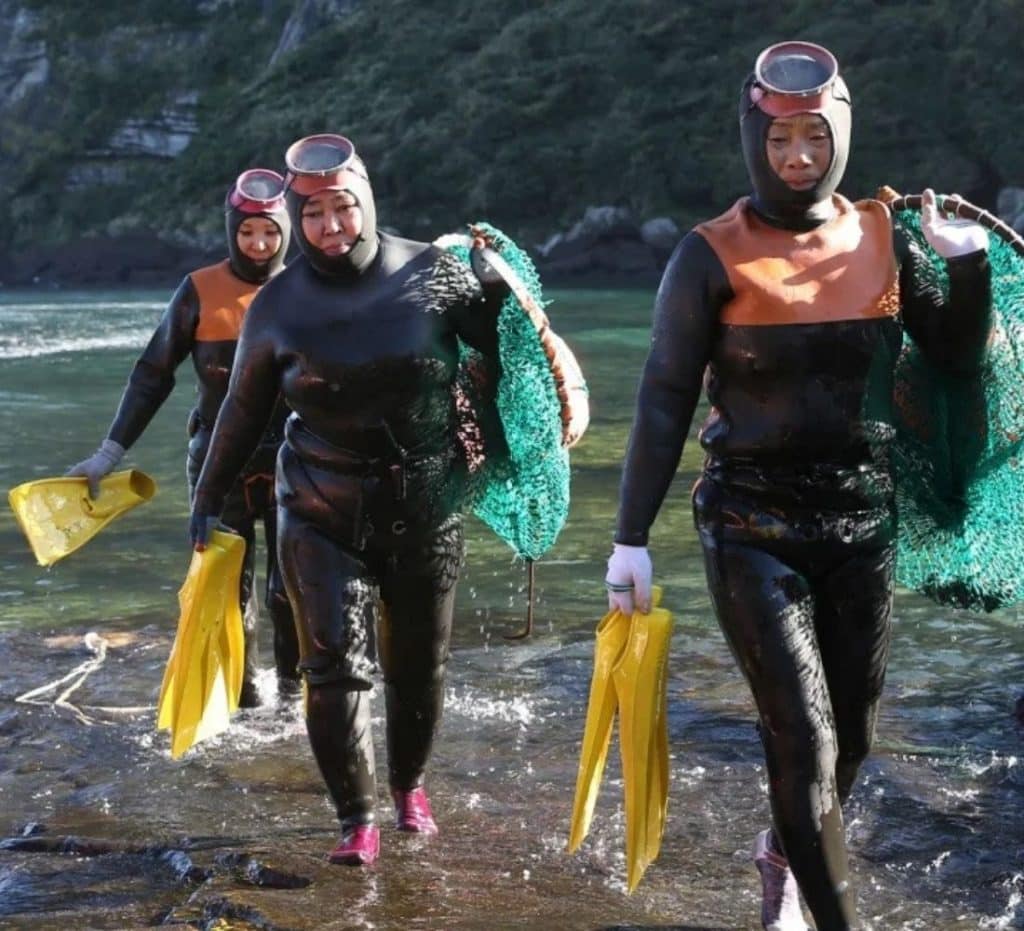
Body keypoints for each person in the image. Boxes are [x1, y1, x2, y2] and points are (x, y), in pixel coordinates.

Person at [604, 41, 992, 931]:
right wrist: (628, 537)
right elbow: (664, 401)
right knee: (804, 735)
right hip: (749, 523)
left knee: (851, 738)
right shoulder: (708, 257)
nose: (797, 158)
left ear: (840, 137)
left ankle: (784, 850)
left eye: (814, 139)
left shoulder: (884, 237)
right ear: (753, 142)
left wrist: (963, 267)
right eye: (779, 142)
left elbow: (954, 361)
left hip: (863, 520)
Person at [188, 134, 515, 867]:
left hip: (426, 501)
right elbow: (240, 413)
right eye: (313, 216)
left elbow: (504, 363)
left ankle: (409, 788)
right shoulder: (278, 305)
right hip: (319, 503)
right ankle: (356, 819)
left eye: (343, 208)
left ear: (366, 198)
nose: (331, 227)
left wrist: (495, 297)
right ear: (296, 221)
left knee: (419, 665)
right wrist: (206, 499)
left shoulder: (436, 274)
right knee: (333, 665)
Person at [66, 169, 300, 706]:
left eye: (270, 232)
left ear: (287, 230)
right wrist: (108, 453)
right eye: (247, 233)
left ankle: (294, 699)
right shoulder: (199, 290)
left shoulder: (305, 286)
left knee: (292, 592)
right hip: (220, 467)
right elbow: (153, 374)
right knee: (227, 592)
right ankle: (243, 701)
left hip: (297, 463)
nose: (260, 245)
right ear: (231, 231)